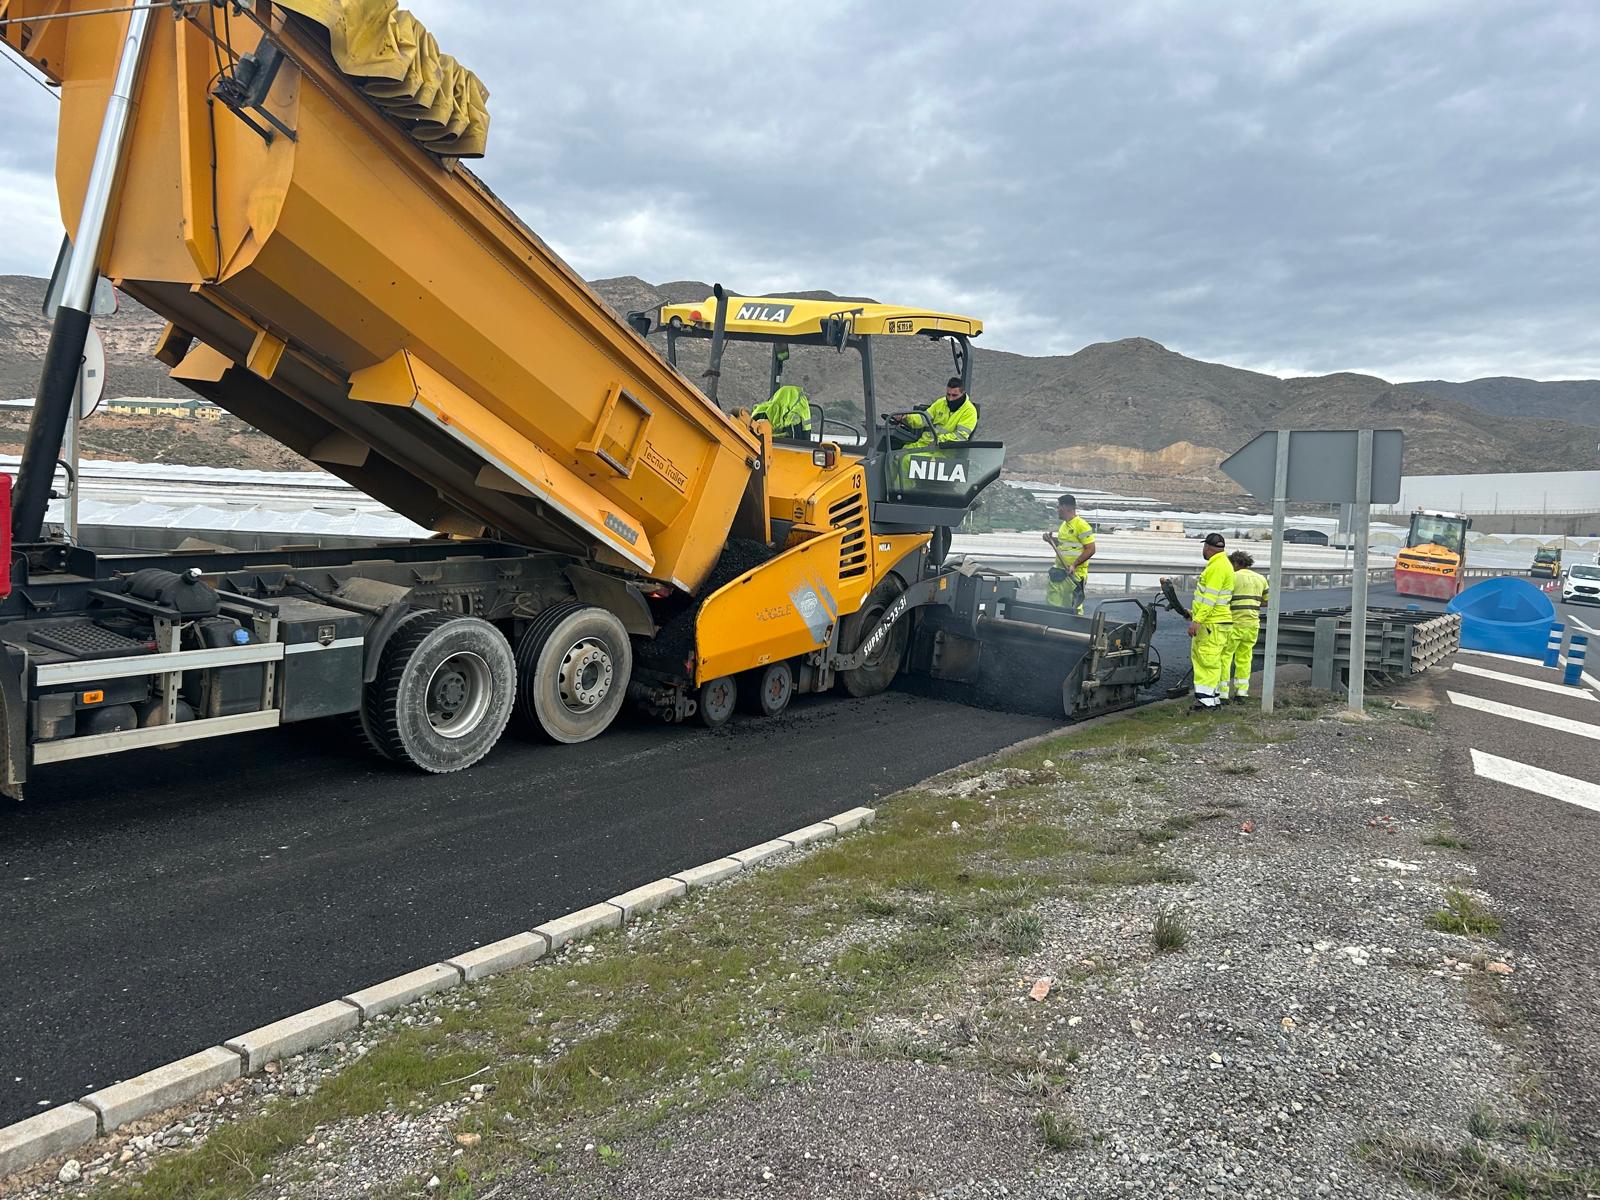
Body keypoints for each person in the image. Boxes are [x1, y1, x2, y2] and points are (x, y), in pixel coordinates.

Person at [1188, 532, 1235, 711]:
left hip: (1211, 623)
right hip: (1218, 622)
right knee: (1212, 661)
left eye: (1204, 547)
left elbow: (1210, 598)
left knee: (1206, 661)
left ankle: (1205, 703)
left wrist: (1197, 620)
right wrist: (1193, 614)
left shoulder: (1217, 567)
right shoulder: (1224, 564)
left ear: (1207, 547)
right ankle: (1212, 700)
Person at [1221, 549, 1268, 702]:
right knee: (1245, 658)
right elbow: (1267, 601)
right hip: (1252, 625)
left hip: (1233, 624)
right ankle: (1241, 692)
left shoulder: (1232, 577)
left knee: (1225, 657)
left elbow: (1223, 600)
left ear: (1236, 563)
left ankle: (1222, 693)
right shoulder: (1261, 579)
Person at [1044, 494, 1096, 614]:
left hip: (1074, 575)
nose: (1057, 510)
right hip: (1059, 573)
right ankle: (1052, 624)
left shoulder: (1081, 525)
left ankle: (1075, 625)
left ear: (1064, 507)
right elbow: (1065, 546)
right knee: (1053, 606)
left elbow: (1090, 549)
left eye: (1058, 507)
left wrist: (1074, 565)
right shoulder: (1064, 525)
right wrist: (1051, 540)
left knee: (1073, 608)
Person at [904, 377, 978, 448]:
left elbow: (960, 436)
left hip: (944, 450)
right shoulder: (941, 402)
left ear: (963, 393)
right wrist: (906, 417)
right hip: (924, 444)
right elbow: (923, 419)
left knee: (906, 456)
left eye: (954, 395)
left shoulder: (969, 411)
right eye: (948, 394)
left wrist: (938, 441)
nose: (950, 399)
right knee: (900, 452)